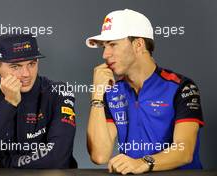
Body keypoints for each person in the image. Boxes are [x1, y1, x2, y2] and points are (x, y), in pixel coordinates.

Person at [86, 9, 204, 174]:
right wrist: (97, 95)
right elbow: (99, 156)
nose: (105, 54)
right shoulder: (112, 91)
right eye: (104, 47)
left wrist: (143, 163)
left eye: (113, 44)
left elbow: (184, 151)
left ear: (138, 45)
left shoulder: (181, 87)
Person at [0, 34, 77, 169]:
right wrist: (9, 104)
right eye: (15, 66)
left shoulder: (58, 92)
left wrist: (4, 164)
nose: (26, 74)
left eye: (31, 64)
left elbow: (57, 159)